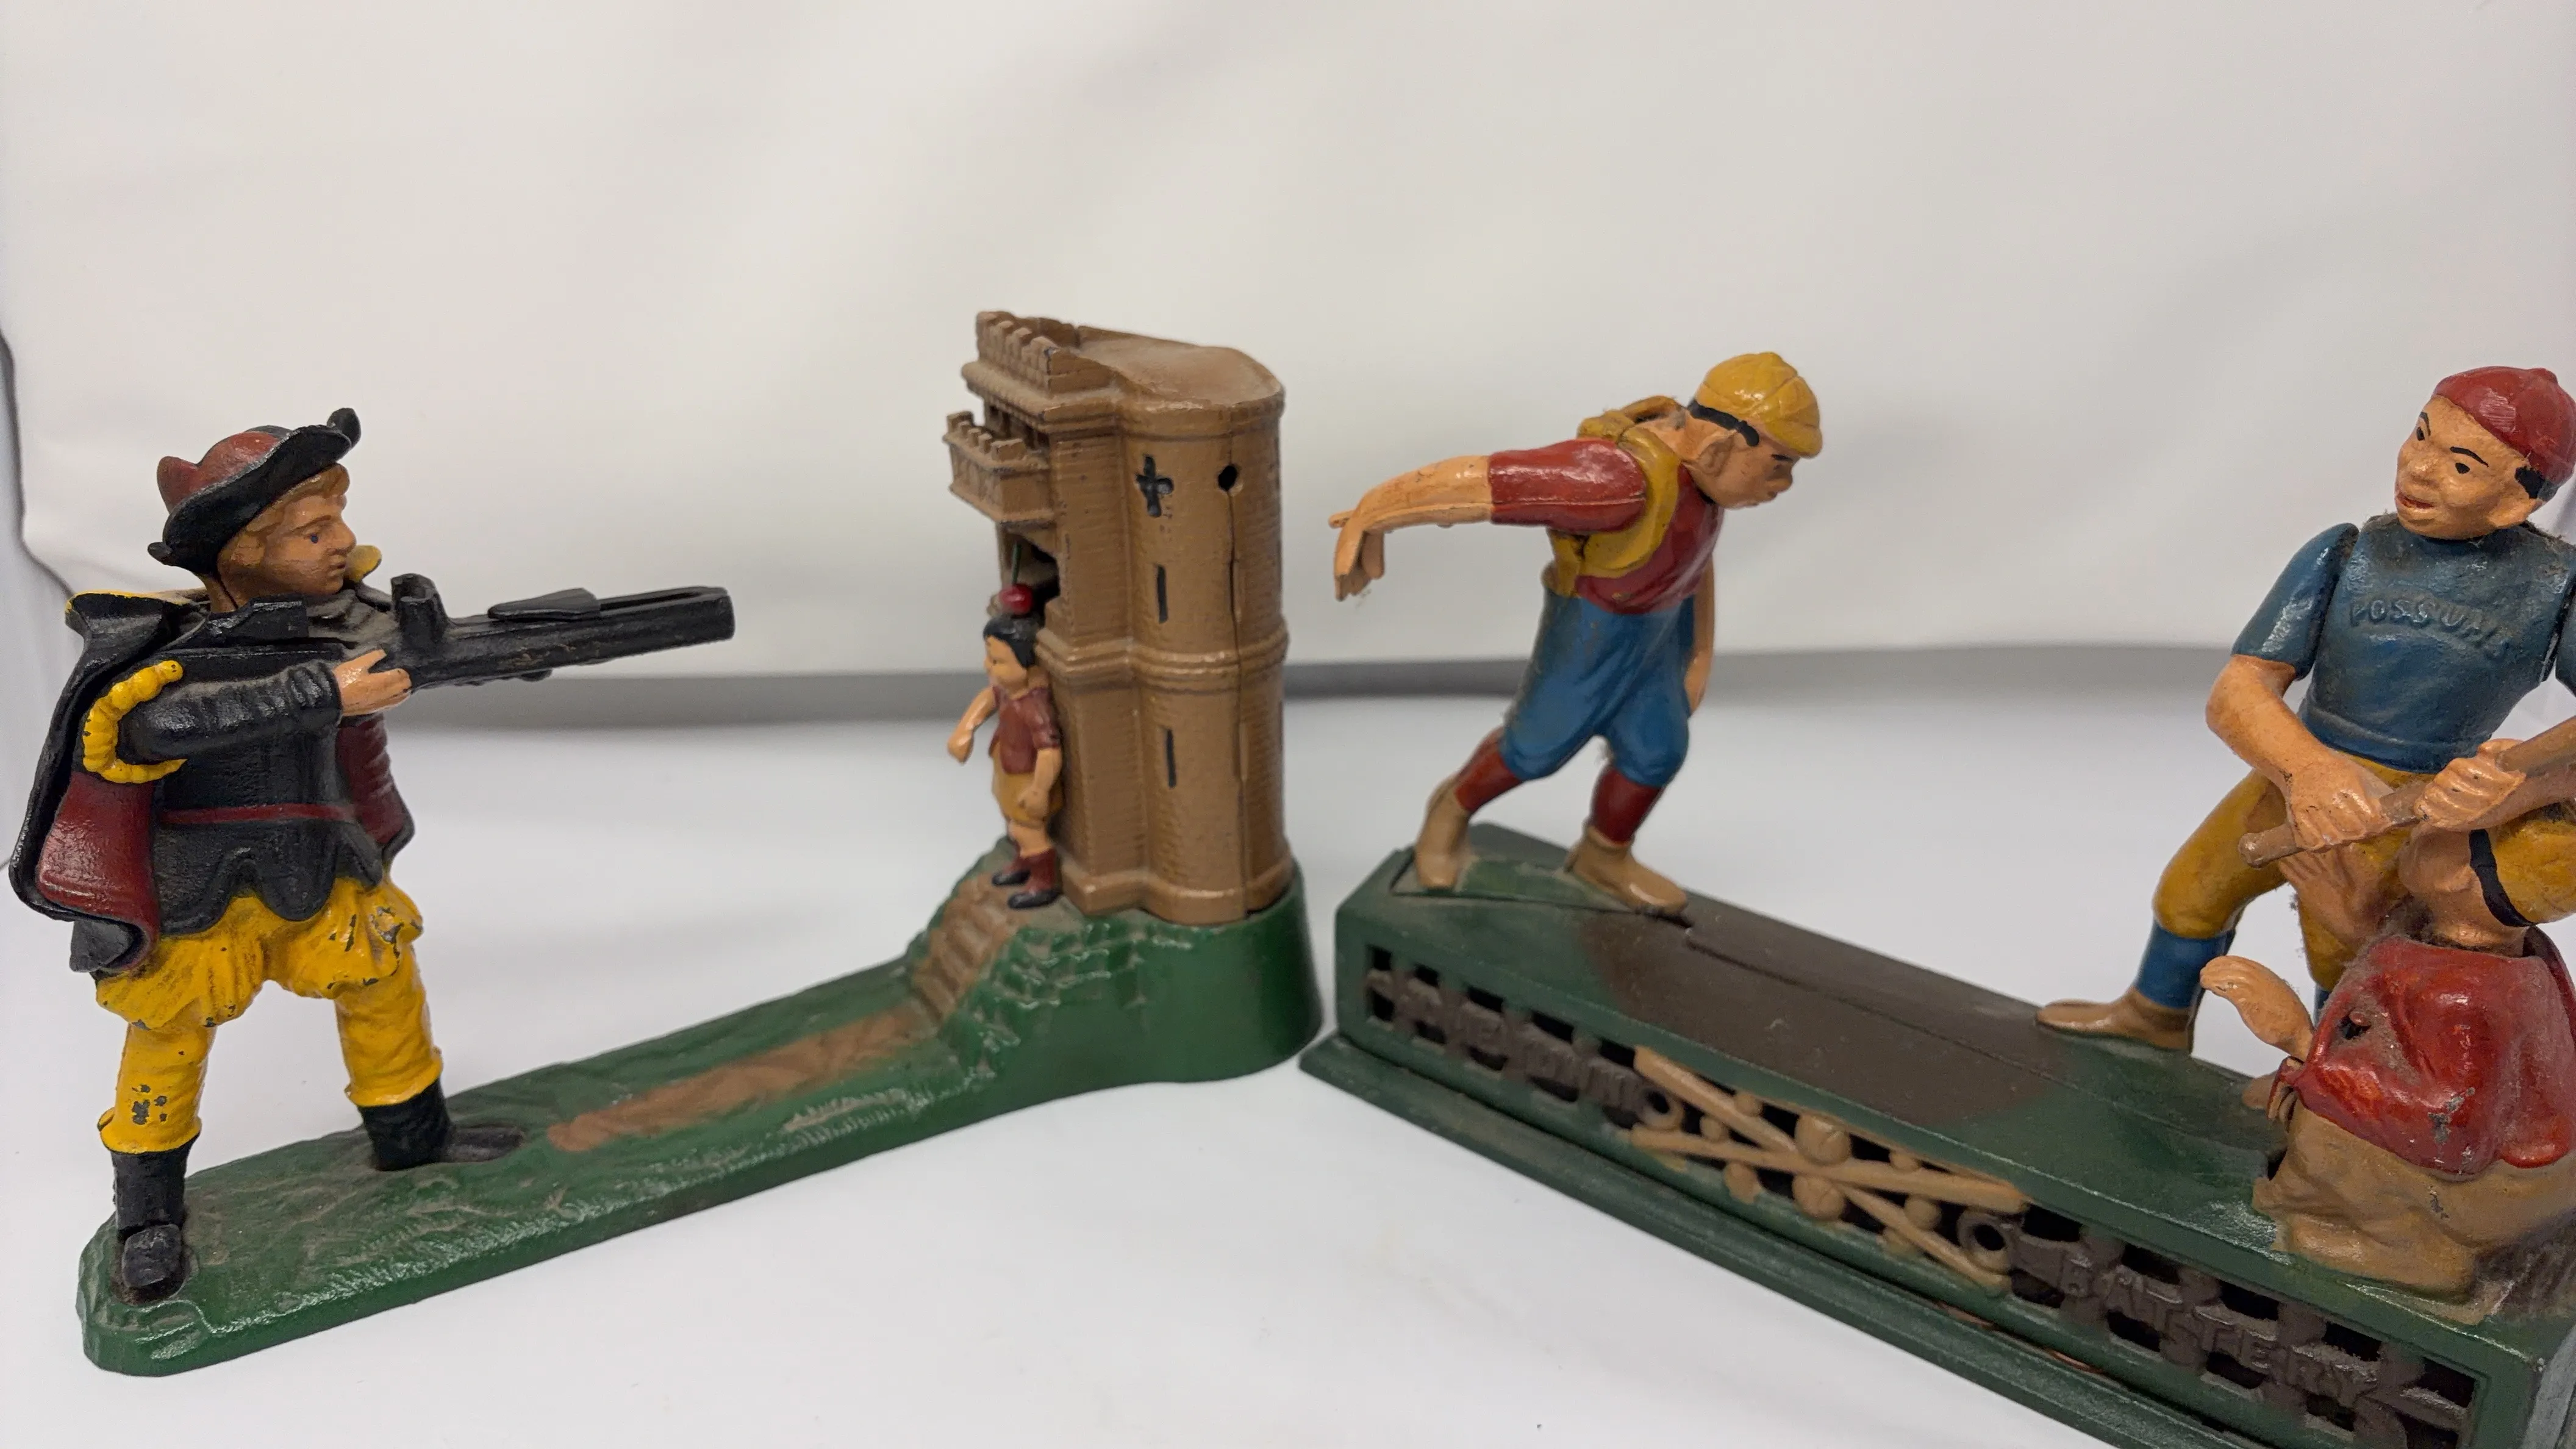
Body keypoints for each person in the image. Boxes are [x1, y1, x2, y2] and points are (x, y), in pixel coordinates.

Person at [9, 409, 519, 1303]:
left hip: (322, 862)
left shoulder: (339, 629)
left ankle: (413, 1138)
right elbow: (155, 726)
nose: (343, 543)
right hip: (200, 886)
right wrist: (323, 691)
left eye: (338, 523)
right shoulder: (169, 654)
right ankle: (148, 1216)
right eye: (313, 532)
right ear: (240, 554)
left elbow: (386, 673)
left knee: (383, 984)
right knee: (169, 1040)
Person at [2043, 367, 2576, 1050]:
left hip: (2409, 806)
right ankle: (2155, 1018)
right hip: (2297, 768)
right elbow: (2238, 690)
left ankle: (2325, 1076)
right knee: (2190, 893)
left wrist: (2519, 787)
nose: (2419, 468)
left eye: (2461, 464)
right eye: (2421, 435)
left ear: (2516, 501)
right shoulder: (2348, 552)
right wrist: (2307, 771)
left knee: (2345, 945)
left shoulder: (2555, 590)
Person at [1328, 354, 1820, 912]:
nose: (1784, 484)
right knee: (1531, 752)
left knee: (1657, 751)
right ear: (1719, 448)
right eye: (1778, 464)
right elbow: (1484, 482)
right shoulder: (1618, 481)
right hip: (1590, 639)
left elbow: (1697, 564)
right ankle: (1447, 816)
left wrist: (1699, 654)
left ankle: (1603, 856)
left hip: (1659, 640)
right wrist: (1374, 511)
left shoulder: (1709, 486)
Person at [946, 584, 1064, 909]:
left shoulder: (1034, 706)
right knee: (1011, 821)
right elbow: (988, 698)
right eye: (989, 658)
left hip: (1028, 777)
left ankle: (1044, 881)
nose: (988, 667)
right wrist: (965, 730)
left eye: (997, 661)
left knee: (1028, 829)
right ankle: (1023, 862)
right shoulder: (1009, 691)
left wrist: (1040, 790)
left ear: (1029, 666)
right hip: (1008, 771)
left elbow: (1050, 751)